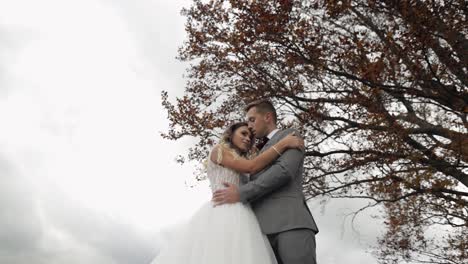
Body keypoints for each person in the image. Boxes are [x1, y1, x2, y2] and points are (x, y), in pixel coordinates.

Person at [150, 121, 304, 264]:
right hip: (222, 212)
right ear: (231, 134)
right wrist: (284, 143)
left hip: (245, 213)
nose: (248, 138)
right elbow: (251, 167)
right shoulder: (219, 150)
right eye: (243, 133)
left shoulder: (242, 157)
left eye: (250, 137)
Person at [213, 99, 319, 264]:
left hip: (289, 223)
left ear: (268, 117)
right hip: (259, 232)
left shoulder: (290, 136)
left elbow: (284, 172)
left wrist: (241, 193)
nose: (249, 126)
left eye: (252, 119)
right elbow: (251, 167)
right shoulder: (257, 155)